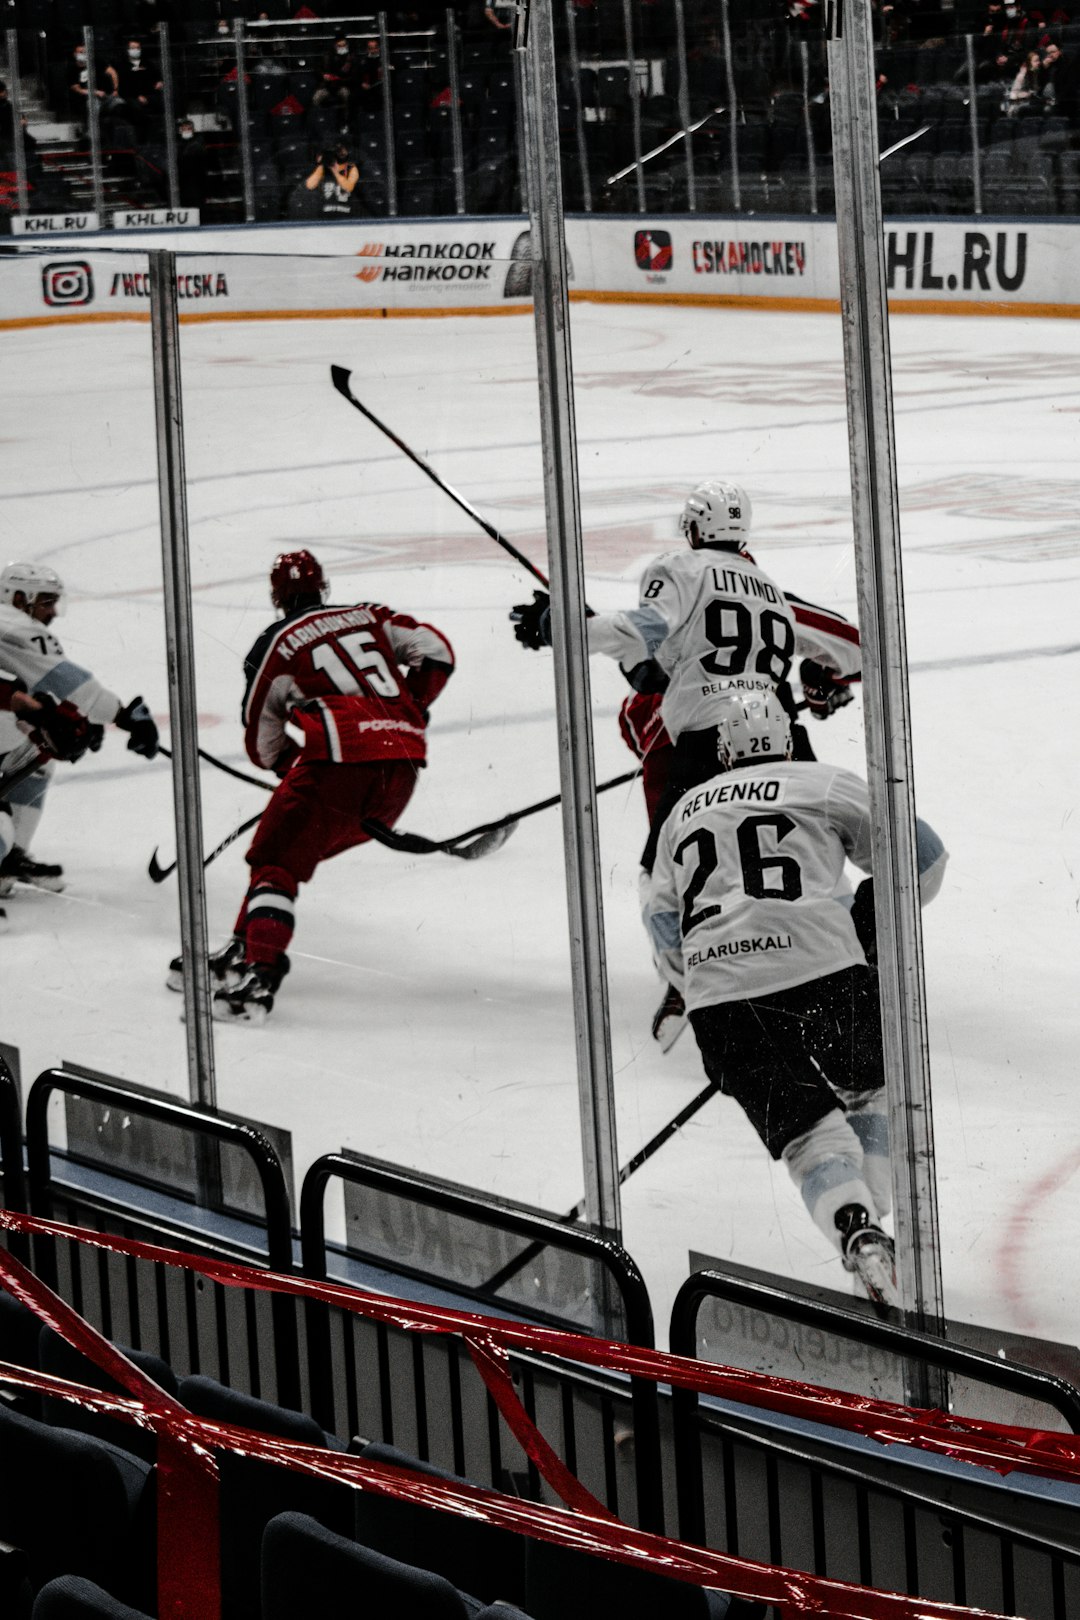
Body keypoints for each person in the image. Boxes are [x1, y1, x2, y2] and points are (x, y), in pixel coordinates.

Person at [512, 479, 861, 1040]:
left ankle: (690, 988)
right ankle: (838, 979)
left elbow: (645, 630)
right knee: (814, 852)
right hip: (783, 738)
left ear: (694, 527)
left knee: (666, 870)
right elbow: (856, 647)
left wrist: (562, 627)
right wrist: (821, 678)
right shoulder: (772, 591)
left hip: (706, 740)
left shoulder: (679, 567)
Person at [642, 688, 946, 1310]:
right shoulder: (821, 782)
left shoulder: (680, 815)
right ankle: (870, 1203)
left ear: (722, 751)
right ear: (787, 736)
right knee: (875, 1091)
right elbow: (925, 859)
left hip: (720, 1000)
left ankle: (856, 1225)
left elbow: (662, 927)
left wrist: (710, 978)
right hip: (822, 969)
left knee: (807, 1137)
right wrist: (870, 920)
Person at [175, 550, 454, 1024]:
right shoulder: (369, 615)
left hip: (337, 764)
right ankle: (238, 953)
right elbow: (437, 652)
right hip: (405, 767)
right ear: (324, 589)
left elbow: (263, 744)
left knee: (276, 862)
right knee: (285, 853)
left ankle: (258, 980)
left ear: (275, 597)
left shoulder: (273, 645)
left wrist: (295, 769)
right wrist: (415, 705)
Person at [0, 562, 159, 897]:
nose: (53, 611)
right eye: (46, 601)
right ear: (18, 598)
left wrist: (82, 719)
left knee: (36, 750)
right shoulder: (15, 626)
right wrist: (122, 715)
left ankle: (9, 857)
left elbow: (33, 696)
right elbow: (66, 683)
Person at [304, 143, 360, 217]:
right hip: (324, 216)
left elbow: (348, 187)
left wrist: (335, 171)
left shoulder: (351, 168)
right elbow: (310, 185)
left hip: (346, 215)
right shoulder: (320, 169)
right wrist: (323, 164)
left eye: (341, 154)